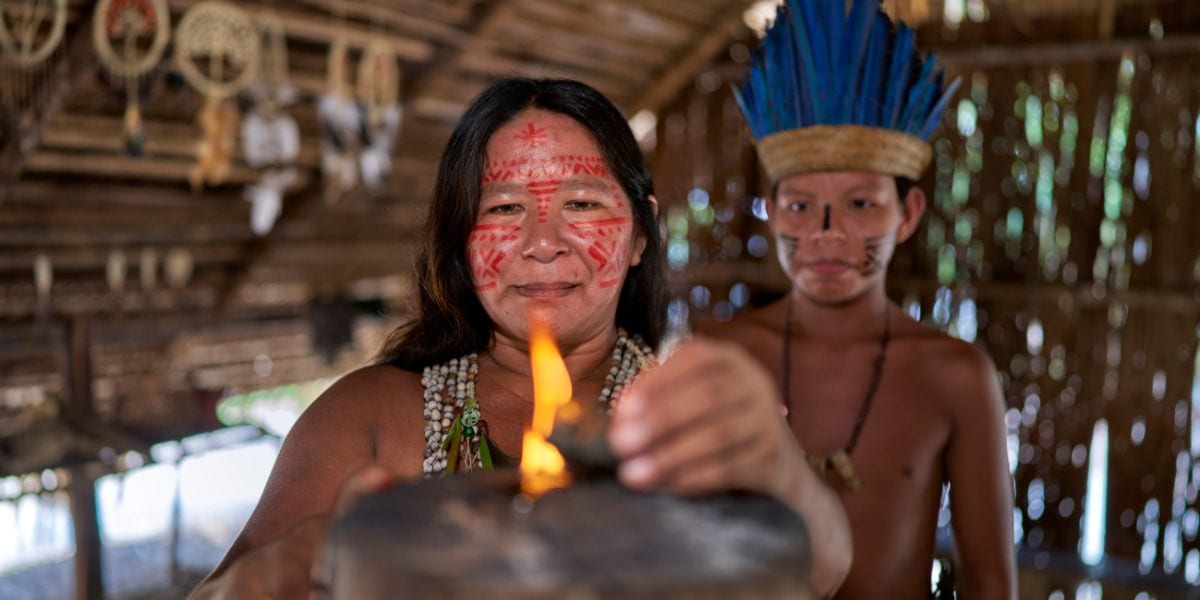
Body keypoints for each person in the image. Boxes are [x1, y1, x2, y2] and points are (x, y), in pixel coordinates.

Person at [191, 77, 851, 599]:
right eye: (504, 209)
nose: (542, 243)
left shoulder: (696, 419)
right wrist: (288, 567)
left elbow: (824, 570)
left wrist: (780, 471)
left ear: (640, 233)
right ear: (460, 237)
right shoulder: (365, 420)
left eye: (583, 204)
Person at [693, 1, 1017, 598]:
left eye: (861, 204)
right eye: (800, 205)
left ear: (908, 214)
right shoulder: (718, 357)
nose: (826, 231)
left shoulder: (955, 376)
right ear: (771, 211)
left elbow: (992, 582)